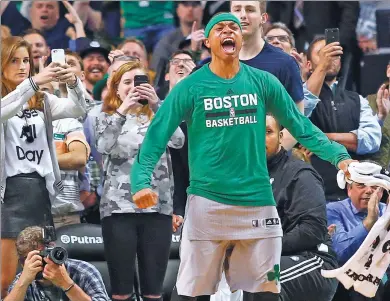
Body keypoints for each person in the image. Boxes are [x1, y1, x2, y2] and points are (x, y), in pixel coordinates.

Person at [130, 13, 353, 301]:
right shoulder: (191, 87)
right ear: (208, 42)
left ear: (241, 38)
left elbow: (302, 127)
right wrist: (140, 181)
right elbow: (156, 136)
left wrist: (339, 157)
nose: (228, 31)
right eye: (219, 28)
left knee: (265, 292)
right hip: (207, 202)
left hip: (258, 202)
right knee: (189, 293)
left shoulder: (263, 82)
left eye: (233, 27)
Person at [1, 36, 86, 297]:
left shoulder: (42, 99)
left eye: (26, 60)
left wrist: (72, 82)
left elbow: (78, 108)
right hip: (9, 194)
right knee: (6, 278)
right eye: (14, 60)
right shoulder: (8, 99)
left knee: (42, 272)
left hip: (40, 192)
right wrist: (35, 81)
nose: (22, 66)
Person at [96, 61, 184, 301]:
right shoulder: (106, 117)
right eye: (127, 82)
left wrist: (157, 105)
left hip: (158, 208)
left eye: (139, 82)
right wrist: (123, 109)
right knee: (121, 291)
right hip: (118, 209)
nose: (134, 87)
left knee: (153, 291)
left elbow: (178, 141)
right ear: (116, 88)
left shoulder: (160, 114)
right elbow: (103, 145)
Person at [326, 167, 388, 301]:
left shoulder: (387, 211)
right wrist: (370, 221)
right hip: (349, 282)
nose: (369, 191)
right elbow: (340, 252)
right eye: (361, 185)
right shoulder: (333, 210)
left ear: (382, 192)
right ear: (349, 189)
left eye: (375, 186)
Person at [5, 226, 109, 301]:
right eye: (33, 259)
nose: (42, 263)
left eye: (44, 256)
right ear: (23, 263)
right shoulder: (22, 280)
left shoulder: (83, 271)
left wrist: (66, 283)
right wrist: (23, 282)